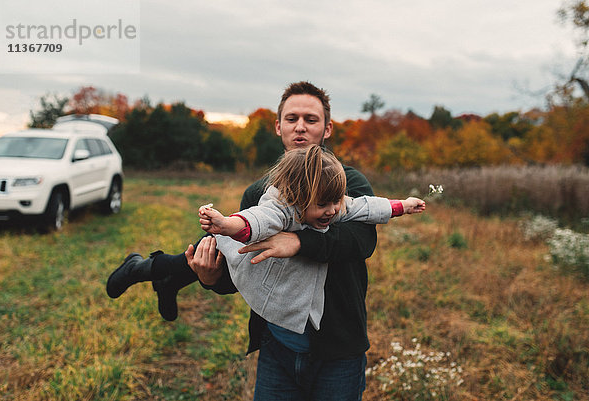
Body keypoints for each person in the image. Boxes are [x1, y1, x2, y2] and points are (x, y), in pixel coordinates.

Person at [106, 81, 412, 400]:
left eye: (311, 119)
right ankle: (164, 274)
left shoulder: (347, 181)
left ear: (328, 128)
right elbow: (247, 267)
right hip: (277, 349)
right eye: (292, 119)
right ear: (278, 126)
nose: (301, 127)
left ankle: (156, 272)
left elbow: (361, 242)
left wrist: (297, 243)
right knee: (217, 241)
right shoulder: (259, 192)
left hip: (338, 352)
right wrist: (209, 278)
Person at [197, 144, 424, 335]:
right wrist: (227, 225)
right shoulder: (283, 207)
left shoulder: (333, 203)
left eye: (336, 201)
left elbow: (364, 206)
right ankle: (167, 269)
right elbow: (258, 218)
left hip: (324, 324)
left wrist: (402, 206)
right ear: (297, 197)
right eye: (322, 205)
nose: (333, 211)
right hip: (265, 280)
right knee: (204, 249)